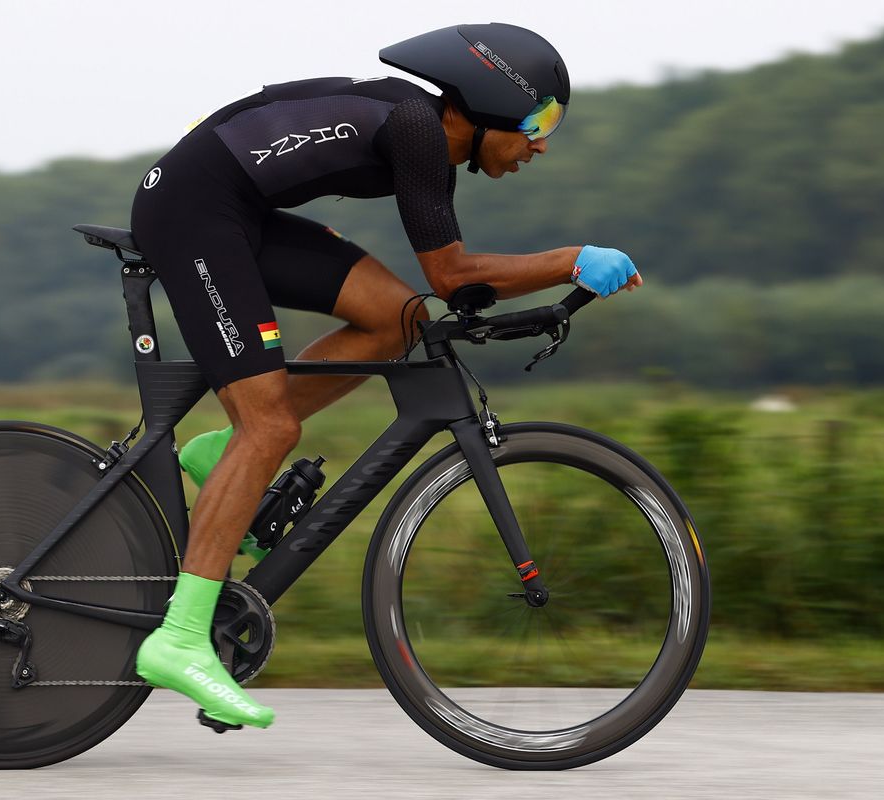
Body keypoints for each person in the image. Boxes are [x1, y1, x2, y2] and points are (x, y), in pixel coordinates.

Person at [130, 22, 642, 731]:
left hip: (236, 209)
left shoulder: (419, 132)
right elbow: (454, 272)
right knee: (270, 423)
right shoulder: (420, 133)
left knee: (397, 317)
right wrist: (572, 259)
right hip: (194, 212)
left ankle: (221, 454)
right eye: (538, 119)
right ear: (491, 102)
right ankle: (180, 636)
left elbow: (440, 290)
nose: (542, 141)